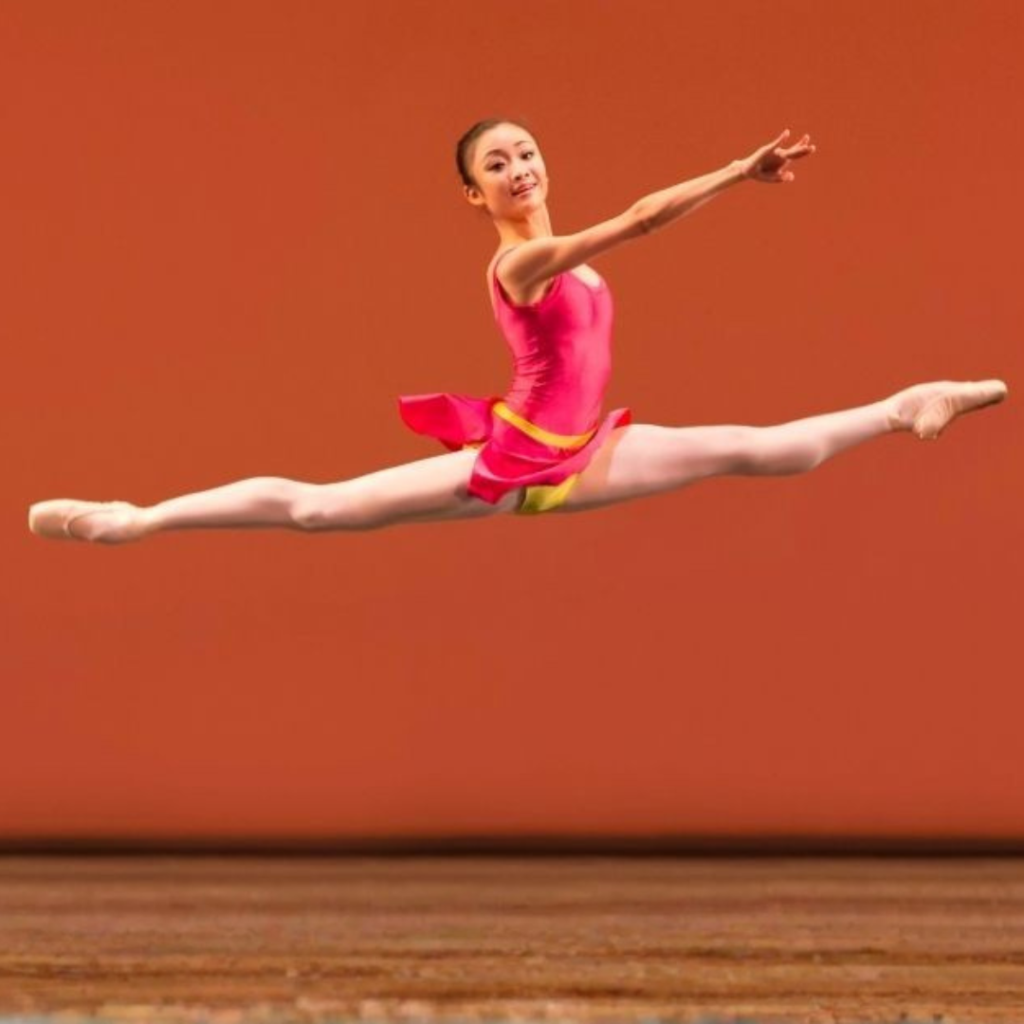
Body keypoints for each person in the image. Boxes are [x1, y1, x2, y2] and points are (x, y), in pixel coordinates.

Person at [28, 119, 1007, 543]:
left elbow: (614, 233)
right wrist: (733, 173)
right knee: (319, 511)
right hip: (515, 458)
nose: (520, 168)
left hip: (585, 449)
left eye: (527, 152)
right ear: (474, 192)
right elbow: (637, 220)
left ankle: (901, 404)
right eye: (498, 163)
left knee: (754, 450)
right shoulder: (519, 262)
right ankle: (136, 518)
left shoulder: (563, 255)